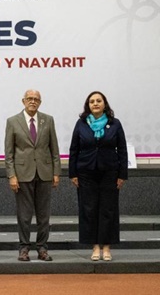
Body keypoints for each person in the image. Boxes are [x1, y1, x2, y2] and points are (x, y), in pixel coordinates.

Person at [68, 91, 128, 262]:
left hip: (110, 172)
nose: (95, 103)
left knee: (108, 209)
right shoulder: (81, 124)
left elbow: (122, 150)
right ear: (88, 105)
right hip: (86, 173)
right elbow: (74, 149)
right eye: (92, 101)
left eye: (98, 101)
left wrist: (122, 174)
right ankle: (94, 246)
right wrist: (73, 173)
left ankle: (106, 246)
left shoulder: (115, 124)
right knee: (89, 209)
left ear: (104, 104)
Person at [4, 89, 60, 262]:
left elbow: (54, 149)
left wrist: (56, 172)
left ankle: (42, 248)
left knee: (44, 215)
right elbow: (9, 153)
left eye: (36, 99)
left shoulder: (48, 120)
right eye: (29, 98)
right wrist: (11, 175)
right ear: (23, 101)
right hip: (22, 174)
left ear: (40, 102)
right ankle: (24, 248)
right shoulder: (13, 121)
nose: (33, 101)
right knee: (24, 215)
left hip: (44, 173)